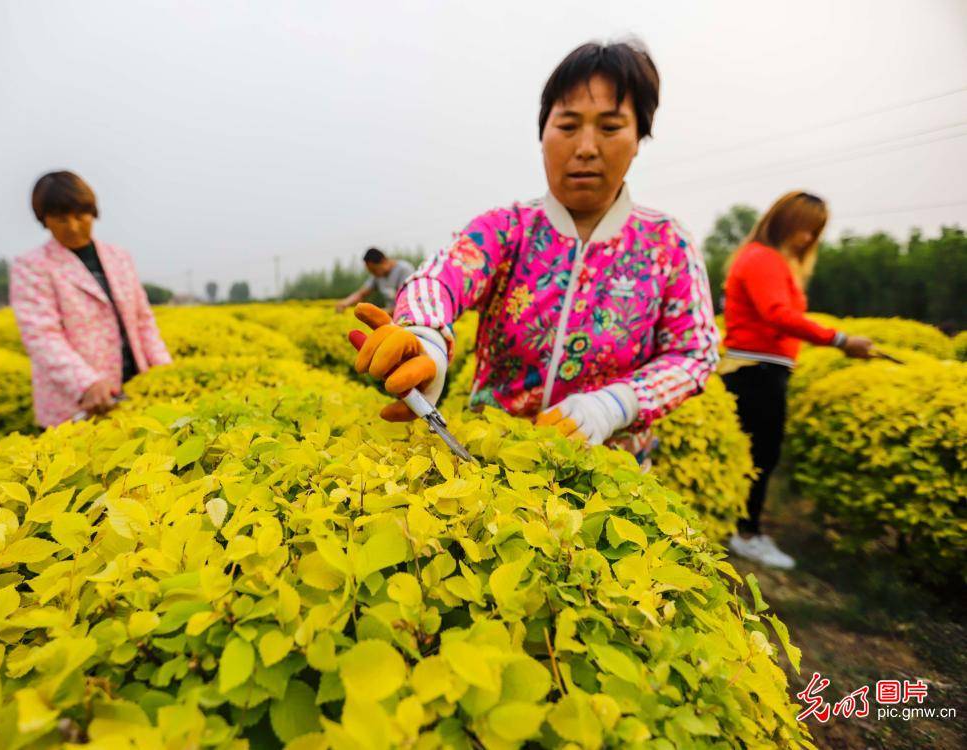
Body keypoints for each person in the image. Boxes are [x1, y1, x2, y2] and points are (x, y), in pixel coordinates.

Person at [350, 40, 719, 466]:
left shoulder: (666, 244)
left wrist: (616, 405)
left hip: (612, 481)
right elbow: (441, 276)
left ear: (639, 138)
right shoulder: (508, 229)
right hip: (491, 469)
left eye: (610, 127)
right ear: (542, 134)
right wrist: (424, 337)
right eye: (567, 125)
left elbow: (694, 352)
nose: (585, 147)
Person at [719, 191, 874, 569]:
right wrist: (840, 339)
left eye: (814, 232)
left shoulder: (761, 258)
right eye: (804, 228)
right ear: (783, 220)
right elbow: (775, 313)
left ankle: (738, 527)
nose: (807, 238)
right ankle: (746, 534)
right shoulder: (763, 258)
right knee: (760, 456)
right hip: (756, 371)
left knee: (757, 455)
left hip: (761, 369)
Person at [10, 170, 171, 427]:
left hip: (134, 387)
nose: (73, 226)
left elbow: (142, 320)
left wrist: (165, 371)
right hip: (80, 402)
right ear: (45, 220)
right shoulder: (32, 266)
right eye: (61, 219)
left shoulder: (118, 257)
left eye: (80, 216)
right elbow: (41, 335)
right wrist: (86, 382)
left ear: (93, 212)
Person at [334, 248, 415, 314]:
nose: (373, 274)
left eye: (374, 270)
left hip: (408, 316)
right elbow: (361, 293)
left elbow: (408, 302)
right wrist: (345, 303)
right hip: (393, 318)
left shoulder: (404, 270)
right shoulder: (378, 276)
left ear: (383, 261)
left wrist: (379, 313)